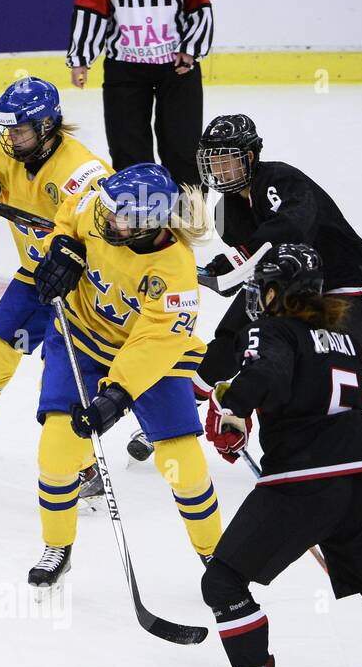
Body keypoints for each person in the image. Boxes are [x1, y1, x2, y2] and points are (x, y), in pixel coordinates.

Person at [199, 243, 362, 667]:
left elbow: (268, 373)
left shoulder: (274, 327)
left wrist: (233, 411)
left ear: (282, 292)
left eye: (263, 287)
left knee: (224, 583)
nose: (258, 297)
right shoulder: (340, 332)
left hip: (306, 482)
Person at [28, 164, 221, 592]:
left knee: (183, 465)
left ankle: (216, 557)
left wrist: (117, 395)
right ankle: (57, 547)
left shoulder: (175, 272)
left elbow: (155, 342)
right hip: (80, 337)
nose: (109, 219)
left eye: (123, 217)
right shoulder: (104, 207)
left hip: (155, 358)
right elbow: (69, 217)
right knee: (56, 452)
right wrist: (62, 248)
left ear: (151, 223)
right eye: (110, 209)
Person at [0, 77, 111, 498]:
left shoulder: (83, 172)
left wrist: (77, 259)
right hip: (34, 277)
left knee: (61, 379)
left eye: (20, 130)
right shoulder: (3, 150)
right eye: (6, 129)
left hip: (81, 290)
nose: (10, 138)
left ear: (47, 126)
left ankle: (84, 469)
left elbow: (108, 232)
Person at [194, 113, 362, 399]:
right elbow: (252, 263)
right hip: (282, 281)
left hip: (338, 278)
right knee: (231, 338)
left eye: (225, 159)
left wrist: (239, 259)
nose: (218, 168)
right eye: (212, 160)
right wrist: (225, 275)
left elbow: (292, 225)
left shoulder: (280, 179)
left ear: (250, 157)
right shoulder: (224, 213)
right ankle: (180, 411)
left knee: (339, 369)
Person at [67, 0, 213, 189]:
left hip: (177, 68)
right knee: (128, 151)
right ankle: (137, 220)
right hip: (124, 68)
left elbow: (197, 0)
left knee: (182, 148)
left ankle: (188, 218)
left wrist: (191, 48)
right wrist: (81, 58)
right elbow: (91, 6)